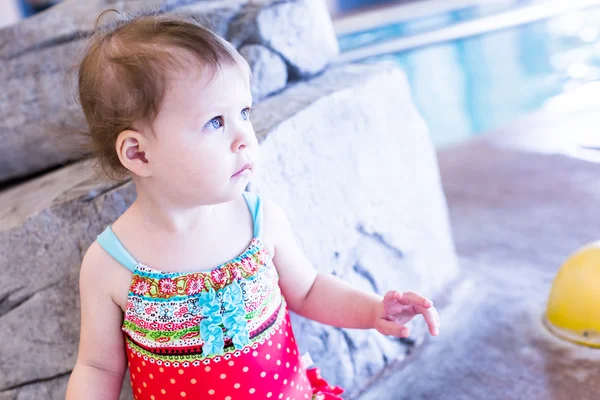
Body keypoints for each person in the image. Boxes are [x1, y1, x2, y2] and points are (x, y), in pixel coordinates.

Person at [65, 11, 440, 400]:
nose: (244, 136)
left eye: (244, 113)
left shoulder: (257, 220)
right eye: (214, 122)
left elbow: (309, 290)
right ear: (139, 153)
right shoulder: (110, 264)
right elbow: (98, 367)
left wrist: (373, 310)